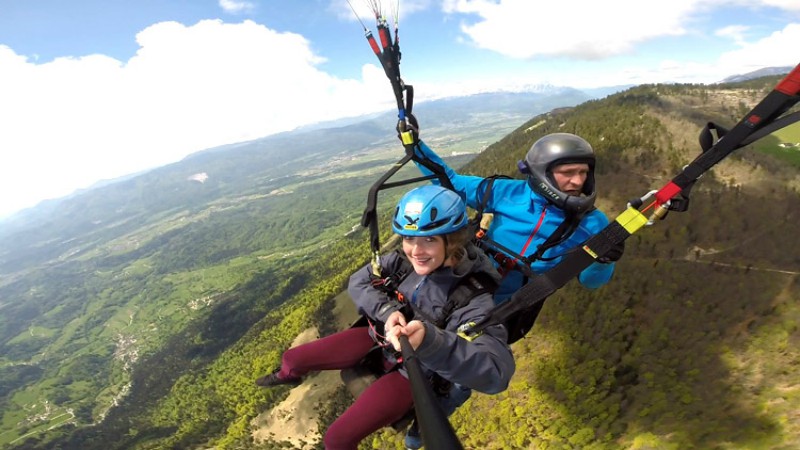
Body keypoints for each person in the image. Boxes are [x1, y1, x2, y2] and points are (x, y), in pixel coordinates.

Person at [401, 125, 623, 449]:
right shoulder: (507, 194)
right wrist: (413, 143)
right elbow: (448, 181)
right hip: (467, 288)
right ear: (541, 174)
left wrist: (604, 260)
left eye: (583, 173)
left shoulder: (592, 224)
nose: (577, 182)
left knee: (462, 371)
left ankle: (427, 421)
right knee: (424, 327)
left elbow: (590, 282)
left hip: (509, 308)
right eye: (567, 173)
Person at [254, 185, 515, 450]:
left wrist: (430, 342)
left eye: (430, 240)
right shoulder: (402, 260)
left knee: (336, 440)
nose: (415, 250)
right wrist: (387, 312)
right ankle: (290, 374)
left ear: (453, 240)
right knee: (292, 358)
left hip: (414, 370)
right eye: (409, 239)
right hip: (378, 336)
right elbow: (359, 281)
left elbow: (496, 373)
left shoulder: (472, 295)